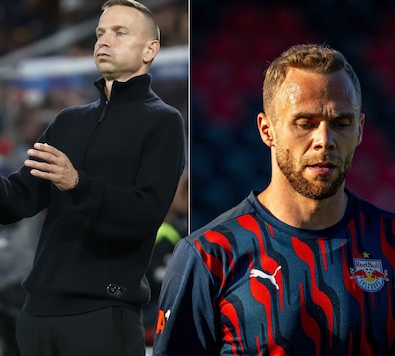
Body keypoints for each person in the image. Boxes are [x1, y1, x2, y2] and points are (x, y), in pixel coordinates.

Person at [0, 0, 186, 354]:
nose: (103, 41)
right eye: (99, 33)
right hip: (36, 316)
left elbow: (143, 214)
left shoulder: (164, 122)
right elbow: (13, 203)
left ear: (150, 50)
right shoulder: (68, 122)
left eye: (119, 32)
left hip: (102, 315)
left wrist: (77, 184)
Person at [153, 44, 395, 355]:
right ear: (267, 130)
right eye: (305, 123)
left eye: (341, 123)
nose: (324, 140)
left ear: (360, 130)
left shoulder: (388, 242)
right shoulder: (208, 256)